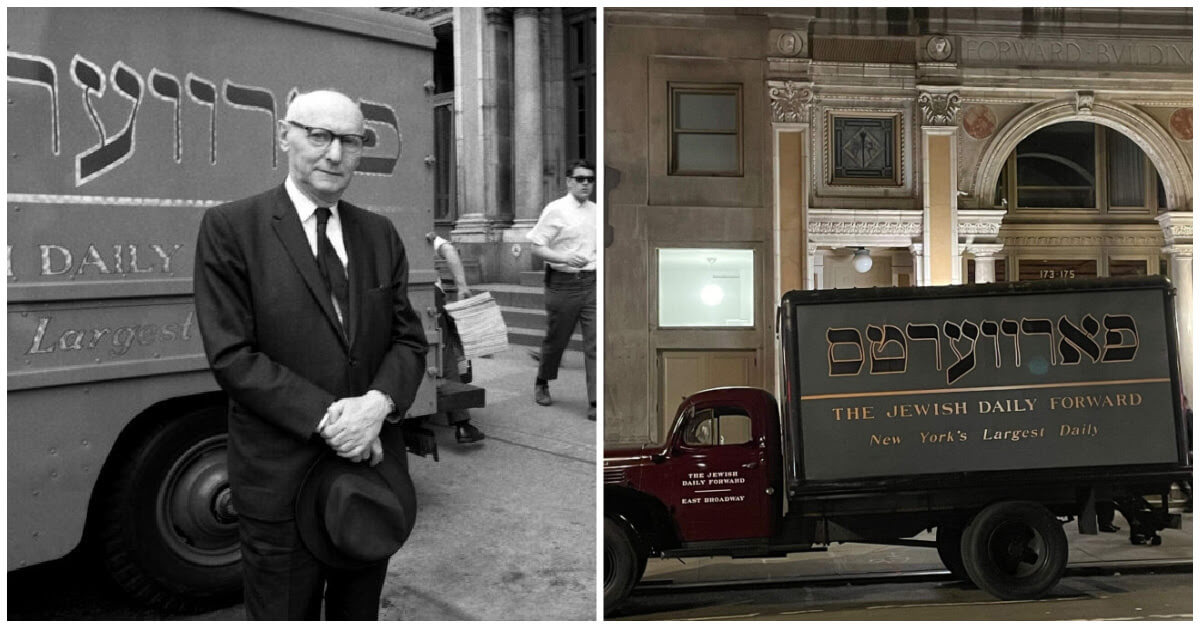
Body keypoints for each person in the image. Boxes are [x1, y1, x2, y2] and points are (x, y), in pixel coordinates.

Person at [193, 90, 427, 620]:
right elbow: (232, 356)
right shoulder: (232, 227)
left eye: (350, 141)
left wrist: (378, 404)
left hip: (369, 479)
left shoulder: (379, 233)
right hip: (280, 484)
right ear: (285, 136)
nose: (334, 154)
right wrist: (333, 421)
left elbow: (409, 340)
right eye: (319, 136)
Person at [527, 159, 597, 421]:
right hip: (562, 284)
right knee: (556, 340)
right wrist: (564, 258)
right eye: (580, 179)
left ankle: (595, 401)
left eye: (589, 179)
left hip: (591, 283)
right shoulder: (556, 210)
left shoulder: (596, 211)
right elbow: (536, 246)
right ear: (569, 182)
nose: (585, 184)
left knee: (595, 344)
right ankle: (542, 380)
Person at [427, 232, 485, 444]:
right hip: (429, 294)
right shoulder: (421, 228)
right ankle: (462, 424)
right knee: (445, 353)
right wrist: (462, 286)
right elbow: (449, 250)